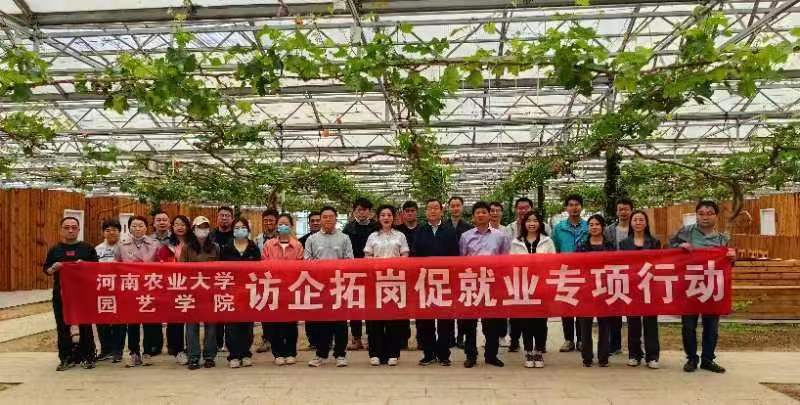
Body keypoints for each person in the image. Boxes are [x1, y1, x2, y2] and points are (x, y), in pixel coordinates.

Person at [670, 200, 736, 374]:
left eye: (709, 213)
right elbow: (668, 250)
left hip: (713, 288)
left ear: (716, 216)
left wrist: (732, 258)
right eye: (701, 213)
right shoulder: (686, 232)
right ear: (696, 215)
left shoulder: (722, 239)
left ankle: (708, 359)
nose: (705, 217)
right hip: (689, 286)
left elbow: (728, 265)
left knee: (711, 327)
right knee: (688, 326)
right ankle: (691, 358)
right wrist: (679, 246)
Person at [458, 201, 510, 368]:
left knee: (491, 323)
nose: (481, 215)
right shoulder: (465, 236)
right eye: (477, 212)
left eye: (484, 212)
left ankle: (491, 355)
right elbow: (461, 261)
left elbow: (505, 260)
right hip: (472, 283)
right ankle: (471, 355)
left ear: (489, 215)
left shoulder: (500, 236)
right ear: (473, 216)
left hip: (492, 283)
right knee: (469, 323)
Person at [44, 217, 99, 371]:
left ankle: (88, 356)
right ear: (61, 230)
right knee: (62, 325)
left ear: (78, 230)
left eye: (74, 227)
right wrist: (54, 268)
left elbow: (96, 268)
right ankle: (66, 358)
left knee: (85, 325)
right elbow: (47, 270)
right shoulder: (55, 250)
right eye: (67, 227)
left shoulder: (87, 248)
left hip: (83, 295)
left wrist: (85, 266)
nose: (70, 230)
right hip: (61, 294)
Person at [411, 198, 459, 367]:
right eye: (430, 208)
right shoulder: (420, 231)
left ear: (441, 211)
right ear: (426, 212)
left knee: (445, 320)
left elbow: (455, 255)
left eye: (436, 208)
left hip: (445, 282)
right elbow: (414, 255)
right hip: (425, 281)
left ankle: (444, 354)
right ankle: (428, 354)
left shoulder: (449, 231)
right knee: (425, 320)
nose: (433, 211)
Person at [305, 206, 354, 368]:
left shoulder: (344, 238)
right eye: (324, 217)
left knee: (340, 322)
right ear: (320, 220)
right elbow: (307, 261)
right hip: (319, 286)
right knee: (321, 322)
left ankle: (340, 354)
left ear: (335, 218)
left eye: (331, 216)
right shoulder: (312, 239)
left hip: (339, 285)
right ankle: (321, 354)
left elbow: (349, 260)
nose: (328, 219)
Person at [364, 205, 410, 366]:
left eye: (389, 215)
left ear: (393, 218)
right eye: (383, 215)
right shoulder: (372, 236)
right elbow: (367, 257)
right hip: (375, 282)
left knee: (393, 319)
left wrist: (391, 265)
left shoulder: (400, 236)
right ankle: (375, 353)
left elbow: (405, 256)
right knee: (375, 319)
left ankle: (393, 353)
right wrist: (379, 265)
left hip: (394, 282)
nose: (386, 217)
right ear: (378, 218)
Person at [114, 215, 161, 368]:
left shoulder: (155, 244)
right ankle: (134, 353)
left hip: (149, 286)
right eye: (134, 226)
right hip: (131, 288)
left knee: (149, 322)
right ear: (129, 228)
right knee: (132, 322)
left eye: (141, 225)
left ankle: (147, 352)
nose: (137, 228)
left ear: (146, 228)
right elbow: (116, 265)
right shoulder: (122, 245)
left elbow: (161, 265)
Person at [509, 211, 554, 368]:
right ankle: (528, 351)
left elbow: (553, 262)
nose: (532, 223)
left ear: (540, 223)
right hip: (524, 286)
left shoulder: (547, 241)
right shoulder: (516, 242)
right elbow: (511, 264)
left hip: (542, 286)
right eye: (529, 221)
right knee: (526, 321)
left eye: (535, 220)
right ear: (524, 224)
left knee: (541, 321)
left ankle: (539, 351)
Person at [620, 210, 662, 369]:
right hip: (632, 286)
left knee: (650, 322)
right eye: (635, 220)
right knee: (633, 322)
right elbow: (622, 264)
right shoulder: (624, 243)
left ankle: (652, 356)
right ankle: (634, 354)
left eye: (641, 220)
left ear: (646, 223)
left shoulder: (654, 242)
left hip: (650, 286)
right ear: (631, 223)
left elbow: (658, 263)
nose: (638, 222)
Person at [179, 216, 221, 370]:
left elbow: (221, 269)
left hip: (210, 292)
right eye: (199, 227)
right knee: (191, 326)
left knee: (211, 325)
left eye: (205, 227)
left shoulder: (215, 247)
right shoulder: (187, 248)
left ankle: (209, 356)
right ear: (193, 229)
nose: (202, 230)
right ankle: (193, 357)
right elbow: (181, 269)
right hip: (192, 292)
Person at [262, 213, 303, 366]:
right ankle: (278, 352)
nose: (283, 226)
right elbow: (264, 265)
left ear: (291, 226)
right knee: (275, 323)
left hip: (291, 288)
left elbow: (301, 266)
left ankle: (291, 352)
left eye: (286, 224)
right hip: (273, 287)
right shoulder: (268, 245)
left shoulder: (298, 245)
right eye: (280, 224)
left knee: (291, 323)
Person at [220, 217, 261, 368]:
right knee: (232, 325)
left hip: (249, 291)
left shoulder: (253, 248)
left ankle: (245, 353)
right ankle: (234, 355)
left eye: (243, 227)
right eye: (236, 228)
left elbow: (258, 270)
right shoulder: (226, 248)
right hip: (231, 291)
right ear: (233, 231)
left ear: (248, 230)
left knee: (247, 324)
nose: (240, 230)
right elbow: (221, 270)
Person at [576, 214, 615, 368]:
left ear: (603, 227)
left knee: (604, 324)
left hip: (605, 289)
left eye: (597, 224)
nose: (594, 227)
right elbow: (576, 266)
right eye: (591, 224)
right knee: (585, 325)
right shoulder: (582, 246)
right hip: (586, 289)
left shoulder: (610, 246)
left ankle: (603, 357)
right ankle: (587, 357)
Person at [552, 194, 588, 352]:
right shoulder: (559, 228)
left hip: (584, 273)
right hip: (565, 272)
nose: (574, 208)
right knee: (566, 306)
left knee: (581, 307)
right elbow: (554, 249)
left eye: (577, 205)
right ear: (566, 208)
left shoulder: (588, 226)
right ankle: (568, 340)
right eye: (571, 205)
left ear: (581, 207)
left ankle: (581, 340)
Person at [156, 215, 191, 366]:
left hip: (192, 285)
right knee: (175, 319)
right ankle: (177, 349)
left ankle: (192, 347)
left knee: (191, 319)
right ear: (172, 227)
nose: (180, 227)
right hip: (174, 285)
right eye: (177, 224)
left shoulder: (194, 243)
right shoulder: (167, 246)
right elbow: (161, 265)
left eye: (183, 224)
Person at [343, 197, 377, 351]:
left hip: (373, 272)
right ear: (354, 212)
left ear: (370, 212)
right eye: (359, 210)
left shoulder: (376, 227)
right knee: (355, 306)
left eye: (365, 210)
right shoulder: (348, 228)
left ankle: (371, 337)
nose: (362, 213)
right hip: (354, 272)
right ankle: (356, 338)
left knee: (371, 305)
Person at [603, 198, 634, 355]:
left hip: (634, 275)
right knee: (614, 312)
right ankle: (615, 346)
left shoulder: (638, 228)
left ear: (631, 210)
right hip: (614, 274)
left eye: (626, 209)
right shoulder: (608, 230)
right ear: (616, 211)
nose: (623, 212)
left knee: (633, 313)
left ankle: (635, 348)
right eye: (620, 209)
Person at [444, 196, 474, 348]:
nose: (455, 208)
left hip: (464, 272)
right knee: (448, 304)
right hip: (447, 272)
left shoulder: (469, 228)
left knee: (463, 304)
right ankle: (448, 336)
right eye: (453, 205)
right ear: (448, 208)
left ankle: (461, 335)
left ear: (462, 208)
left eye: (458, 205)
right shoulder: (443, 226)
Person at [94, 218, 121, 362]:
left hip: (120, 290)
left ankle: (117, 351)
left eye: (114, 230)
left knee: (119, 321)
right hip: (102, 290)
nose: (111, 233)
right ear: (103, 232)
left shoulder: (124, 247)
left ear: (119, 231)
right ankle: (105, 350)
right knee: (102, 320)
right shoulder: (97, 249)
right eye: (107, 230)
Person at [393, 200, 418, 350]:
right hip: (400, 275)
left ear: (416, 212)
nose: (409, 213)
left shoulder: (423, 229)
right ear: (403, 213)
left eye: (412, 211)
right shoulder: (397, 231)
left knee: (420, 306)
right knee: (401, 306)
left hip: (419, 274)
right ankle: (402, 338)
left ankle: (422, 339)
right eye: (407, 211)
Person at [255, 208, 279, 354]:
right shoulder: (257, 239)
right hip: (263, 279)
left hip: (280, 279)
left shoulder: (283, 238)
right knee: (265, 310)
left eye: (271, 220)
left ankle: (278, 340)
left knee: (279, 310)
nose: (268, 223)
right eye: (266, 220)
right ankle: (266, 339)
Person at [210, 206, 234, 352]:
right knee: (217, 310)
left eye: (227, 215)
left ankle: (231, 343)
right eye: (222, 215)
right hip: (215, 280)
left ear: (231, 218)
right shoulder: (210, 236)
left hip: (233, 279)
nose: (224, 218)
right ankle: (217, 343)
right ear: (217, 218)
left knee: (231, 311)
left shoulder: (237, 235)